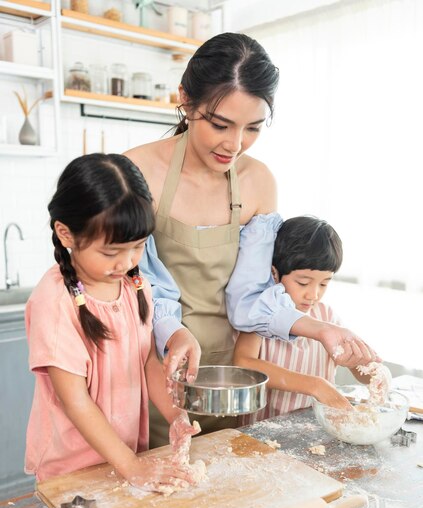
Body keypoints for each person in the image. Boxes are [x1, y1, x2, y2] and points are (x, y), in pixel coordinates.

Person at [125, 32, 378, 446]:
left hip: (228, 376)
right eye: (220, 124)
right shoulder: (136, 171)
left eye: (253, 129)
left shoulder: (258, 183)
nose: (235, 145)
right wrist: (171, 333)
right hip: (147, 367)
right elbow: (130, 285)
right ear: (186, 100)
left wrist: (319, 330)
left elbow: (249, 299)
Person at [24, 153, 196, 486]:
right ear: (66, 234)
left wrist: (176, 415)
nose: (126, 262)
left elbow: (146, 360)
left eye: (137, 247)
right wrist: (132, 467)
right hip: (72, 471)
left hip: (125, 457)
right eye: (110, 252)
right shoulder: (56, 301)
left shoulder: (136, 285)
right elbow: (74, 400)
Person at [233, 216, 371, 418]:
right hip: (264, 435)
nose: (313, 294)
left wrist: (365, 367)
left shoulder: (327, 316)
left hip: (313, 431)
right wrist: (314, 385)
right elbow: (243, 362)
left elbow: (362, 374)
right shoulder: (261, 314)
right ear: (274, 274)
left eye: (324, 284)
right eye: (303, 283)